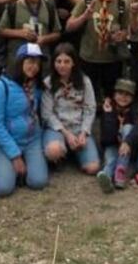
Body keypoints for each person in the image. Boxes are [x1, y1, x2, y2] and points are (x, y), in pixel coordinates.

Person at [0, 43, 50, 197]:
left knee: (39, 182)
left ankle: (27, 166)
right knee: (2, 188)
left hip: (32, 139)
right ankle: (13, 165)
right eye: (30, 61)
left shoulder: (37, 86)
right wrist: (15, 155)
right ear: (20, 61)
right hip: (9, 140)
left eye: (37, 63)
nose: (34, 67)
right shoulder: (1, 86)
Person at [66, 0, 128, 102]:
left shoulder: (121, 4)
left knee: (110, 97)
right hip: (88, 58)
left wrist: (121, 35)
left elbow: (126, 29)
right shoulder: (87, 0)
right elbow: (69, 26)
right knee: (88, 96)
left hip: (111, 59)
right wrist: (84, 17)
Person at [41, 44, 99, 175]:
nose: (62, 65)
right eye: (58, 61)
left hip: (78, 127)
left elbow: (90, 108)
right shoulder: (48, 83)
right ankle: (61, 155)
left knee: (93, 168)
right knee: (53, 151)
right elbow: (47, 114)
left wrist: (84, 132)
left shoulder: (84, 81)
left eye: (67, 61)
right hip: (58, 129)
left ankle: (76, 153)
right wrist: (67, 134)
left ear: (73, 63)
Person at [0, 0, 61, 75]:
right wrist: (20, 33)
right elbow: (1, 30)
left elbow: (57, 33)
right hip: (17, 59)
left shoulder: (49, 8)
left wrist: (44, 39)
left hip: (41, 60)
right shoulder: (13, 8)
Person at [97, 79, 138, 193]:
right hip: (112, 144)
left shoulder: (135, 110)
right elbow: (106, 137)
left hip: (129, 147)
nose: (123, 97)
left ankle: (120, 171)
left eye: (127, 94)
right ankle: (106, 177)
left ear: (133, 97)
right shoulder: (108, 108)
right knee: (111, 159)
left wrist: (127, 142)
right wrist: (108, 115)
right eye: (120, 93)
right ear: (114, 94)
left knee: (128, 127)